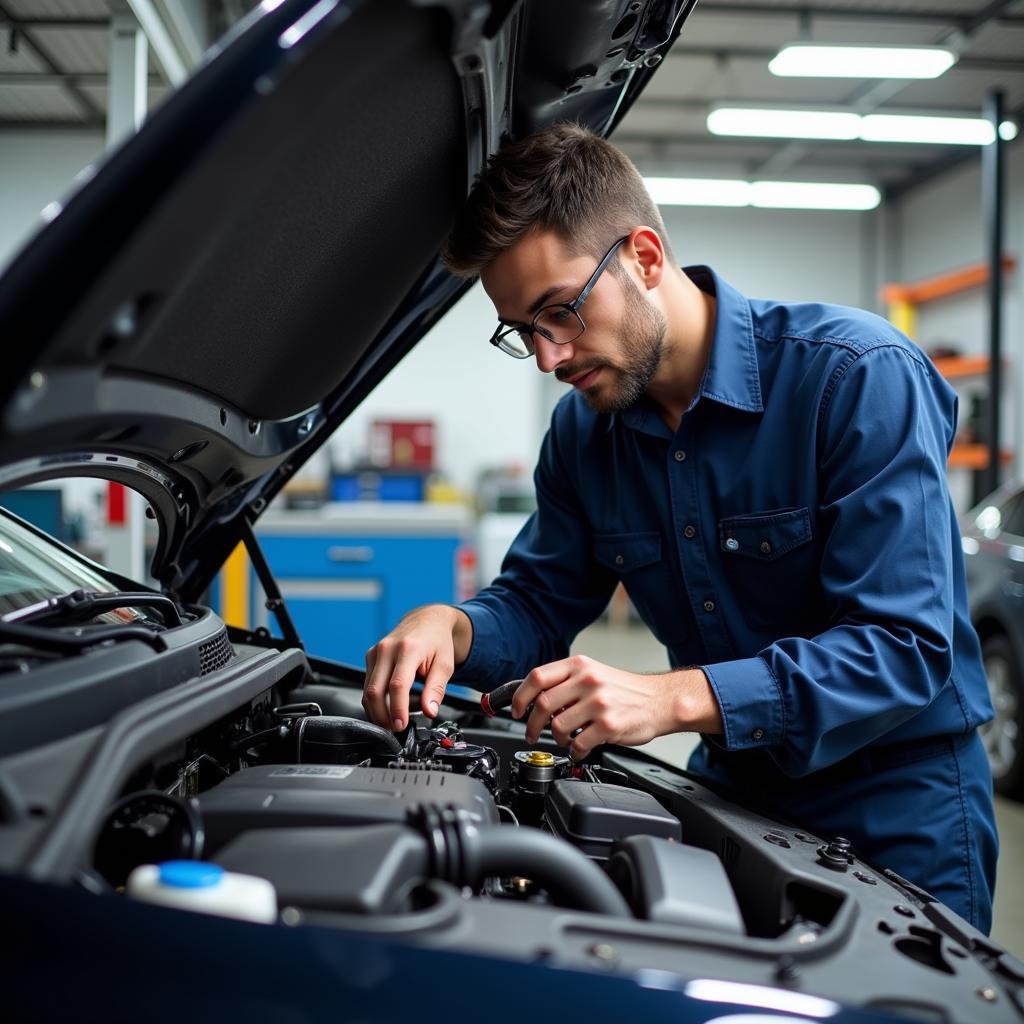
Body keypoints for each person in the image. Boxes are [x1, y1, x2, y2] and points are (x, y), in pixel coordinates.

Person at [361, 122, 999, 932]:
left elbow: (903, 646)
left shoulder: (855, 378)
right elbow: (538, 599)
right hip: (734, 791)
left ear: (645, 257)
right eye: (523, 332)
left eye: (561, 311)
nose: (551, 358)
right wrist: (448, 625)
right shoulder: (584, 438)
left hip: (900, 806)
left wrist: (671, 696)